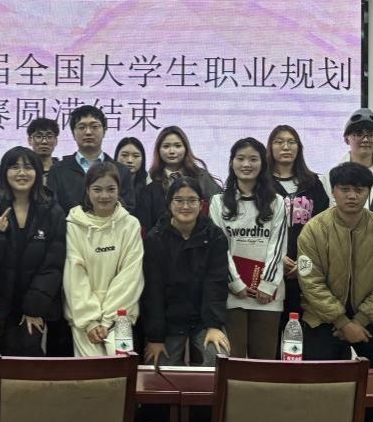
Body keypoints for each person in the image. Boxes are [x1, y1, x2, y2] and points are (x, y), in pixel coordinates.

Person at [296, 162, 373, 367]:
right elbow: (310, 282)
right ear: (333, 191)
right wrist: (342, 322)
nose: (352, 196)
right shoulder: (314, 230)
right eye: (345, 189)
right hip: (322, 318)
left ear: (368, 191)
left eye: (359, 190)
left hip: (372, 319)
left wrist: (359, 320)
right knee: (314, 374)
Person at [0, 147, 66, 357]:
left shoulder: (52, 211)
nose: (22, 173)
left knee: (30, 360)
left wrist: (34, 307)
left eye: (28, 167)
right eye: (15, 167)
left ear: (37, 172)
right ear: (4, 172)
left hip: (36, 306)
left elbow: (54, 264)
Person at [141, 176, 230, 366]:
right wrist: (156, 337)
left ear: (201, 204)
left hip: (203, 319)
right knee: (156, 365)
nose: (185, 206)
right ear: (169, 203)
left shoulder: (215, 237)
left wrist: (214, 325)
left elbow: (216, 285)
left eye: (192, 200)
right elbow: (153, 292)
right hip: (169, 321)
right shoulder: (155, 239)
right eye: (179, 200)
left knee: (218, 356)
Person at [63, 162, 144, 357]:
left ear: (119, 190)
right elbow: (74, 275)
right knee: (91, 374)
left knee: (120, 371)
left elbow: (130, 275)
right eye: (97, 189)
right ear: (87, 190)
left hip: (120, 317)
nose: (104, 196)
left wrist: (108, 320)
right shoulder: (74, 225)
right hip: (84, 320)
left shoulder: (131, 225)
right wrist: (90, 321)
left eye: (111, 189)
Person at [218, 138, 288, 359]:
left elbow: (278, 246)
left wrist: (267, 284)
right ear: (232, 162)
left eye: (253, 159)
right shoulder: (218, 202)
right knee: (233, 360)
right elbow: (220, 248)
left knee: (264, 364)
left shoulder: (277, 202)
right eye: (240, 158)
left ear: (262, 164)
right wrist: (235, 283)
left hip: (268, 295)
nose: (246, 164)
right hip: (233, 293)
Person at [268, 124, 329, 329]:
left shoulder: (313, 183)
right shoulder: (262, 183)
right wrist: (277, 259)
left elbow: (322, 227)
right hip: (270, 269)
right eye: (279, 142)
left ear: (299, 147)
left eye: (291, 142)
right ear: (270, 147)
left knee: (299, 329)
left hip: (306, 268)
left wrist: (304, 262)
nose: (286, 147)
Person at [49, 106, 137, 215]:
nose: (88, 132)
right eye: (82, 127)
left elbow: (128, 208)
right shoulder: (58, 170)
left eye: (94, 126)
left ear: (104, 131)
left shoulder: (121, 171)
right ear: (73, 133)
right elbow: (53, 210)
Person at [141, 125, 223, 229]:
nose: (172, 151)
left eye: (177, 146)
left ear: (186, 149)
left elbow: (219, 204)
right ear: (158, 150)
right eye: (166, 146)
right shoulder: (150, 178)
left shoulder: (200, 176)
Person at [324, 108, 373, 204]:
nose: (365, 140)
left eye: (370, 135)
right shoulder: (329, 177)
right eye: (358, 134)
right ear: (346, 139)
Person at [114, 137, 149, 224]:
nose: (130, 160)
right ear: (116, 157)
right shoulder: (108, 184)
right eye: (124, 155)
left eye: (136, 156)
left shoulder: (150, 185)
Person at [26, 117, 61, 190]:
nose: (44, 141)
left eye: (49, 137)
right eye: (39, 136)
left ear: (56, 141)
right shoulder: (24, 171)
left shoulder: (63, 170)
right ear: (30, 140)